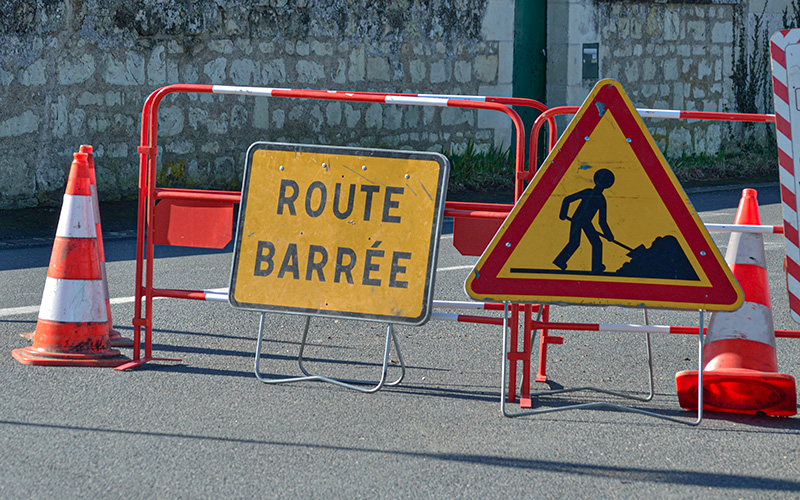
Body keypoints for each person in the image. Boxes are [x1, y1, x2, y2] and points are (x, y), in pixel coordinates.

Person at [552, 168, 615, 274]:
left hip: (584, 222)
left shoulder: (596, 197)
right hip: (578, 220)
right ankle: (561, 261)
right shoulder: (597, 197)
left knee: (594, 243)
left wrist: (609, 235)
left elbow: (602, 221)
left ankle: (596, 267)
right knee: (577, 243)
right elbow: (567, 199)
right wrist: (562, 214)